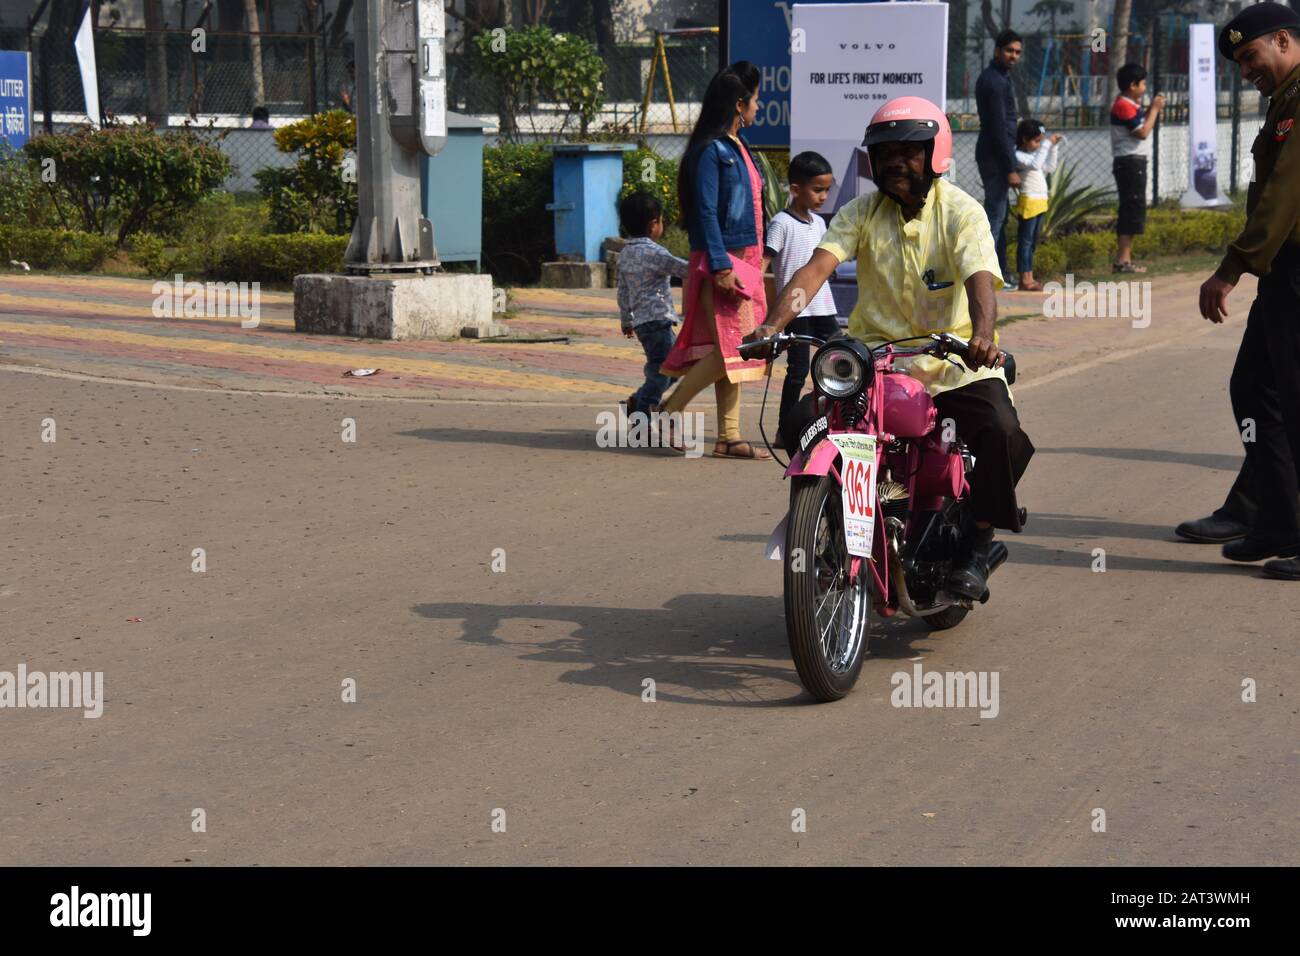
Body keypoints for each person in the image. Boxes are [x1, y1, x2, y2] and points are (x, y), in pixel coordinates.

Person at [749, 96, 1034, 600]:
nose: (896, 162)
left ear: (935, 154)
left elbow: (981, 282)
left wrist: (984, 337)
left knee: (1001, 430)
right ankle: (837, 518)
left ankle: (979, 542)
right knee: (799, 424)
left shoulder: (962, 214)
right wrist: (772, 325)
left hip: (952, 364)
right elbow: (815, 270)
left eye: (909, 151)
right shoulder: (860, 212)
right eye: (885, 153)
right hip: (875, 365)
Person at [1186, 2, 1300, 580]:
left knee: (1288, 398)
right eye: (1236, 63)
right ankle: (1279, 522)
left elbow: (1283, 194)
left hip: (1295, 270)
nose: (1246, 71)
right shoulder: (1285, 99)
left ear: (1284, 39)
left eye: (1251, 57)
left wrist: (1232, 267)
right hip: (1284, 275)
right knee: (1255, 389)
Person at [659, 65, 772, 460]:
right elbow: (705, 213)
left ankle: (729, 436)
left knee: (732, 348)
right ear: (739, 105)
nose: (759, 107)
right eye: (756, 100)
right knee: (735, 349)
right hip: (721, 261)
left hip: (746, 260)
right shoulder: (712, 152)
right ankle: (667, 412)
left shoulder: (738, 148)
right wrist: (722, 266)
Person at [761, 150, 839, 445]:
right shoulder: (781, 223)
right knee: (797, 370)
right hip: (796, 310)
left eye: (827, 190)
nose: (823, 196)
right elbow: (764, 263)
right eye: (817, 189)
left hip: (824, 306)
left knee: (838, 360)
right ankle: (785, 429)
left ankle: (833, 422)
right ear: (795, 189)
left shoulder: (819, 224)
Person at [616, 191, 686, 415]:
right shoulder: (656, 253)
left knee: (671, 369)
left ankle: (637, 401)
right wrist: (710, 264)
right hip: (658, 323)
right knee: (662, 371)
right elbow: (683, 269)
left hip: (642, 324)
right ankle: (641, 416)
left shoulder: (624, 254)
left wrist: (626, 319)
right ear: (653, 224)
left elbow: (623, 290)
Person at [975, 29, 1023, 290]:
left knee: (999, 217)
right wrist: (1010, 168)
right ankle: (984, 278)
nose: (1013, 56)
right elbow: (997, 128)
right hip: (995, 158)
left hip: (997, 155)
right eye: (1009, 51)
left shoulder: (1001, 77)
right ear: (997, 51)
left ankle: (999, 273)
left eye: (1017, 52)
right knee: (993, 219)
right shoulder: (993, 81)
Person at [1110, 63, 1166, 273]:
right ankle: (1122, 261)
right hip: (1129, 162)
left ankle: (1125, 260)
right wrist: (1154, 109)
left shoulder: (1130, 103)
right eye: (1142, 84)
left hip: (1133, 161)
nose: (1145, 87)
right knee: (1131, 209)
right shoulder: (1123, 105)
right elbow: (1142, 132)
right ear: (1132, 85)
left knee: (1133, 209)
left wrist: (1150, 107)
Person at [1012, 119, 1062, 292]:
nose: (1039, 145)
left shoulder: (1035, 155)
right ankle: (1024, 279)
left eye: (1041, 141)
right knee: (1025, 242)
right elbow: (1036, 165)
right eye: (1037, 141)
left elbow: (1049, 167)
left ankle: (1030, 277)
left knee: (1032, 242)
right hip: (1029, 202)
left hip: (1040, 202)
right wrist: (1047, 144)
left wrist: (1053, 148)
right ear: (1025, 139)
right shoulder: (1018, 155)